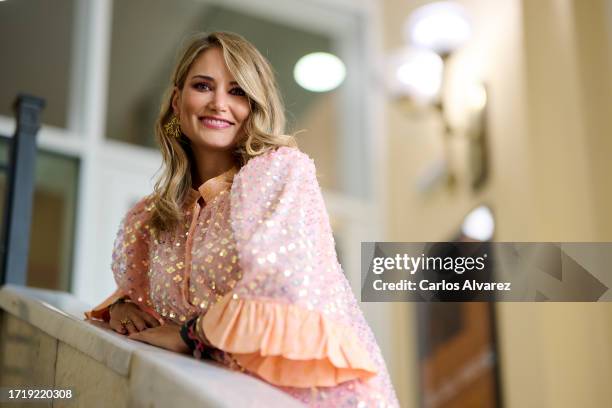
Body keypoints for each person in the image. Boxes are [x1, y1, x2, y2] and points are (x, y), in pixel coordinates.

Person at [85, 31, 399, 407]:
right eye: (203, 86)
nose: (219, 104)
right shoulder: (153, 217)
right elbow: (146, 297)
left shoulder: (279, 173)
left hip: (310, 396)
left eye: (237, 92)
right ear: (176, 101)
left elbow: (281, 285)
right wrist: (124, 308)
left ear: (255, 106)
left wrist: (192, 334)